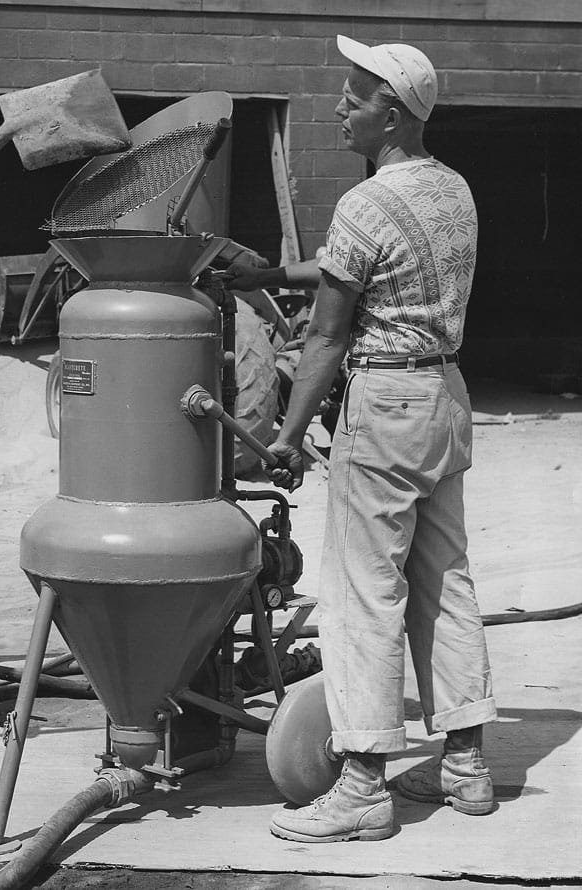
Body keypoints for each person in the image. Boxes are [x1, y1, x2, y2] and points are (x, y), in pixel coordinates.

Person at [227, 35, 496, 842]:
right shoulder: (452, 190)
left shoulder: (364, 203)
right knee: (444, 580)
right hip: (444, 394)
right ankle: (467, 766)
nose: (340, 106)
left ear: (394, 112)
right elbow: (362, 269)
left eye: (355, 94)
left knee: (362, 597)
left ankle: (363, 786)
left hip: (383, 406)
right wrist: (271, 275)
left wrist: (284, 433)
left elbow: (329, 337)